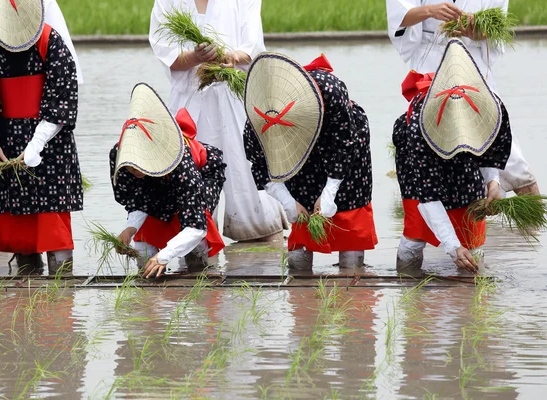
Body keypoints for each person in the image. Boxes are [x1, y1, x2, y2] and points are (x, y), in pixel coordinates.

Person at [0, 0, 83, 274]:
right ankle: (26, 288)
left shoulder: (49, 39)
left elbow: (63, 96)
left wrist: (38, 142)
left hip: (50, 141)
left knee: (53, 220)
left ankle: (62, 296)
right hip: (8, 142)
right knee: (21, 229)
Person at [149, 0, 288, 242]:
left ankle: (260, 239)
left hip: (234, 96)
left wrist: (232, 56)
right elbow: (165, 49)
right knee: (192, 179)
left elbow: (252, 44)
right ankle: (196, 243)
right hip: (190, 103)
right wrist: (194, 57)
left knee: (246, 175)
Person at [386, 0, 539, 197]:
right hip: (431, 67)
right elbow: (398, 15)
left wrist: (475, 31)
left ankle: (535, 224)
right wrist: (430, 11)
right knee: (434, 149)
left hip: (473, 65)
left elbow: (497, 31)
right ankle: (449, 217)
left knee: (510, 155)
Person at [243, 53, 378, 270]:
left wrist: (329, 191)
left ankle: (353, 275)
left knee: (349, 218)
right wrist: (287, 201)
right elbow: (258, 161)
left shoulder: (330, 91)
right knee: (302, 220)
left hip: (342, 144)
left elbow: (344, 144)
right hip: (297, 158)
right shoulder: (258, 111)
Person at [393, 39, 512, 274]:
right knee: (416, 234)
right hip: (421, 154)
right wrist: (452, 247)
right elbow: (428, 196)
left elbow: (488, 149)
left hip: (465, 164)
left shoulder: (491, 108)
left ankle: (470, 289)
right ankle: (408, 278)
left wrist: (494, 183)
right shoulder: (417, 128)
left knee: (472, 236)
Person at [111, 83, 226, 278]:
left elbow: (195, 225)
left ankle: (200, 266)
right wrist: (129, 230)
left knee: (197, 253)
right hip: (158, 182)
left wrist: (164, 256)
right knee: (144, 255)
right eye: (130, 167)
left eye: (139, 166)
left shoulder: (182, 161)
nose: (134, 171)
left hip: (201, 175)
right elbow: (139, 199)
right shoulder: (118, 156)